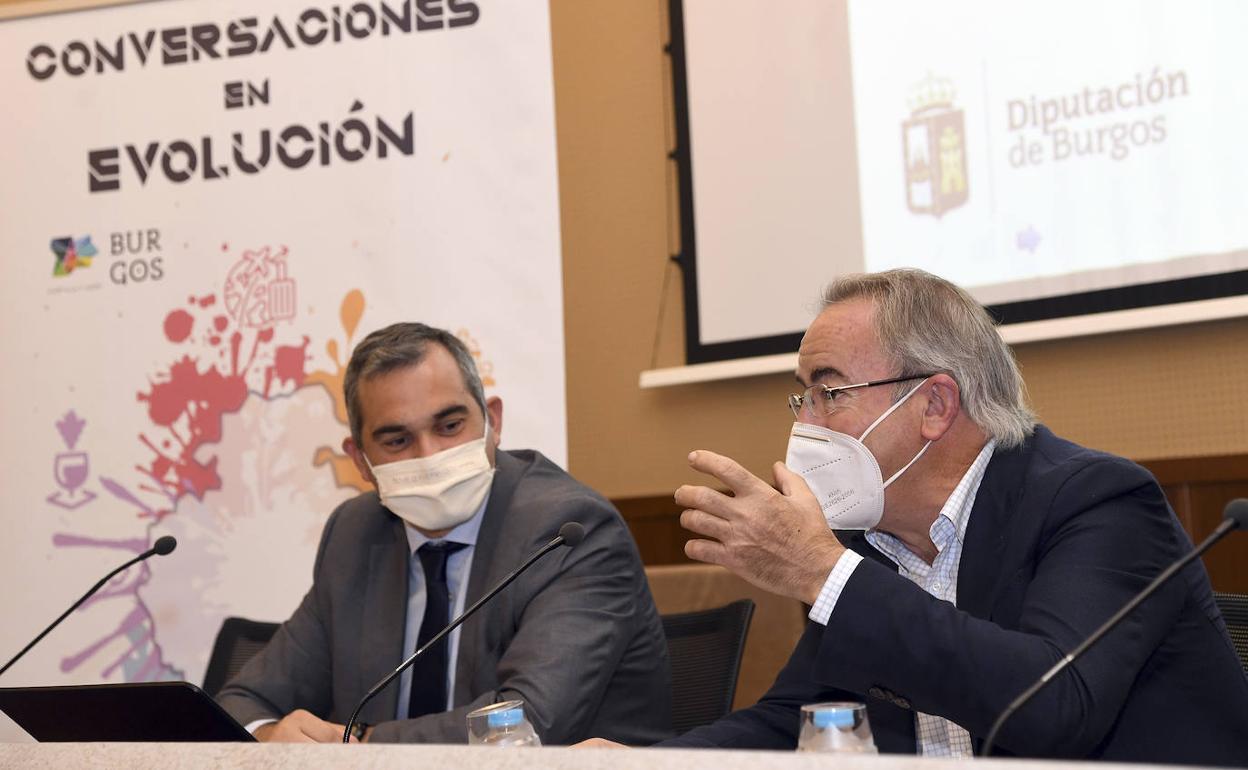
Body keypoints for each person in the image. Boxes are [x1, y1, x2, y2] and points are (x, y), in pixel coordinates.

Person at [594, 269, 1248, 763]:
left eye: (829, 390)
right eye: (802, 395)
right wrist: (652, 762)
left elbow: (1051, 708)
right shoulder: (873, 539)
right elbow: (797, 722)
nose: (804, 421)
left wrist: (824, 571)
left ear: (935, 405)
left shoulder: (1097, 502)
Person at [217, 322, 672, 744]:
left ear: (492, 422)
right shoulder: (355, 534)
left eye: (450, 426)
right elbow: (245, 702)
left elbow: (524, 721)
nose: (430, 455)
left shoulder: (570, 530)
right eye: (397, 441)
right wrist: (271, 735)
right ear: (360, 461)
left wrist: (361, 747)